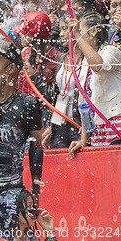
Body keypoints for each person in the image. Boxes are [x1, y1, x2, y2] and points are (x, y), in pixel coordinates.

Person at [0, 40, 43, 209]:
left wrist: (35, 189)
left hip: (12, 190)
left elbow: (36, 146)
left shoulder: (29, 104)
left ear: (11, 69)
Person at [68, 12, 121, 154]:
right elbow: (84, 101)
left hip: (118, 122)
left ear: (94, 31)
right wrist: (83, 139)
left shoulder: (111, 51)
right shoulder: (84, 63)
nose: (75, 36)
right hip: (98, 127)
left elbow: (98, 67)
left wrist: (77, 35)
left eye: (80, 30)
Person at [42, 14, 82, 149]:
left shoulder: (87, 59)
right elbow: (57, 93)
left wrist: (87, 127)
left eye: (65, 29)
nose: (61, 34)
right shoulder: (61, 59)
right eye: (60, 30)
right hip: (60, 125)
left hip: (80, 125)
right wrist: (51, 125)